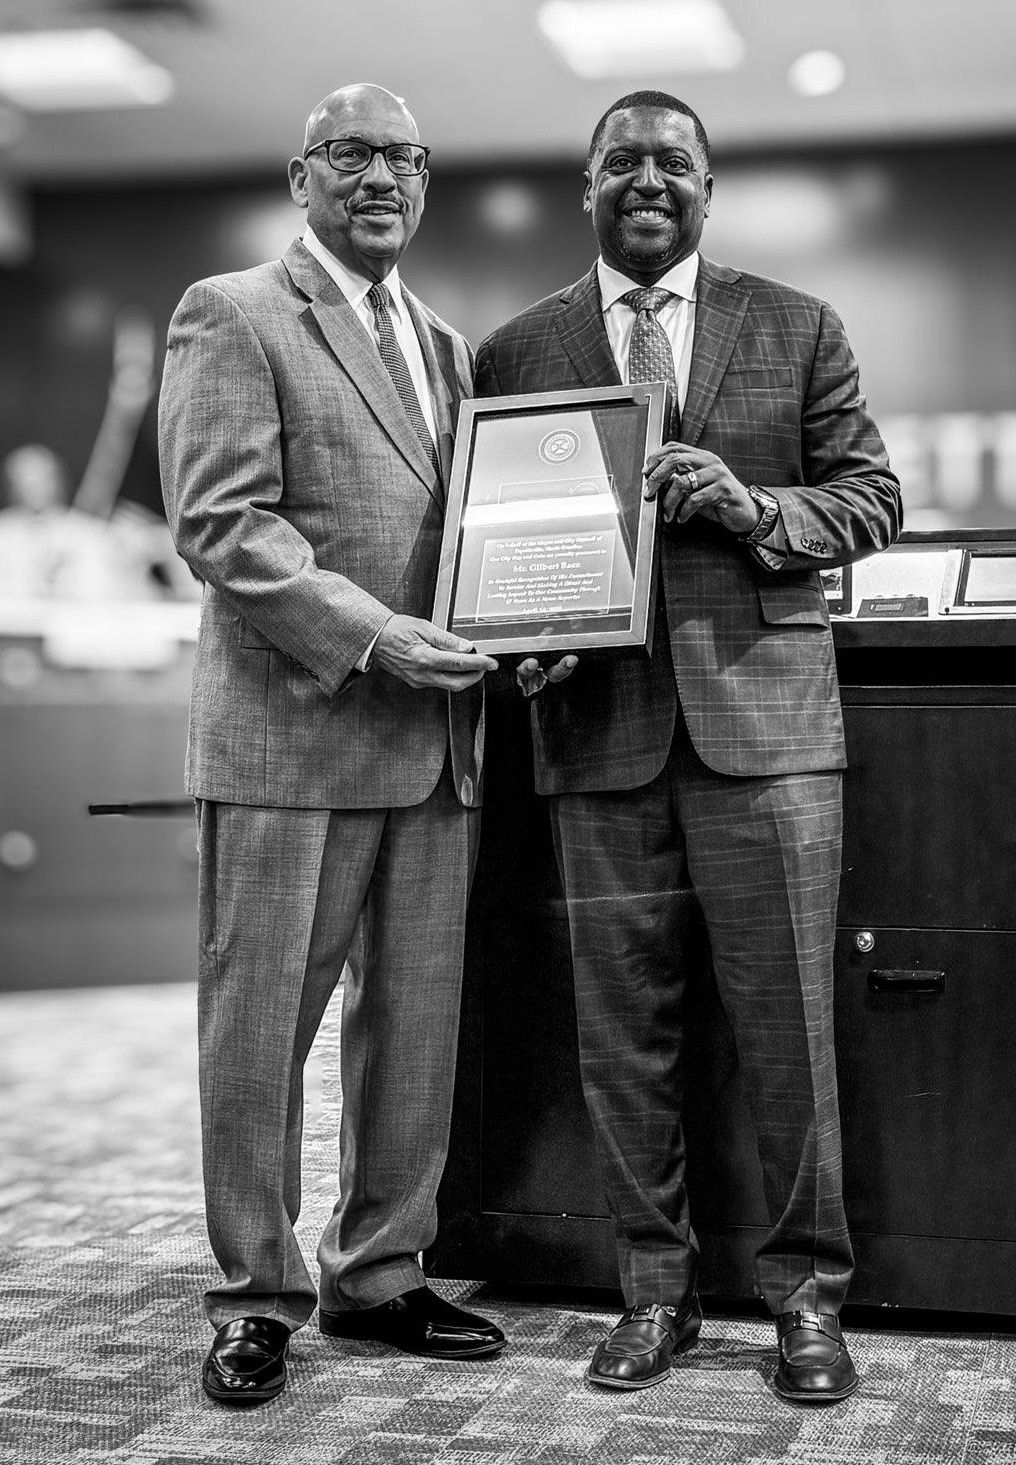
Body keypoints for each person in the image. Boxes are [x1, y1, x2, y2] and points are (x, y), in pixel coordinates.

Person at [474, 91, 901, 1400]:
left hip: (764, 737)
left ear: (708, 190)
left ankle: (806, 1302)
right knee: (623, 1038)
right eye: (623, 159)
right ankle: (652, 1294)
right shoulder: (517, 351)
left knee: (789, 1038)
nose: (648, 175)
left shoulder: (798, 325)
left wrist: (754, 502)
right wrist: (508, 637)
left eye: (675, 159)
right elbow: (489, 547)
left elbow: (871, 497)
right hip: (595, 736)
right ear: (587, 187)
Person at [159, 83, 505, 1407]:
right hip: (295, 731)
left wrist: (516, 628)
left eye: (408, 157)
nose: (384, 177)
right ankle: (254, 1293)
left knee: (413, 1028)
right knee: (261, 1032)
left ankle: (378, 1274)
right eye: (354, 153)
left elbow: (468, 536)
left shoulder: (445, 341)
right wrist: (377, 637)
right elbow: (223, 523)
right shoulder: (232, 311)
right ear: (301, 175)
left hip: (433, 739)